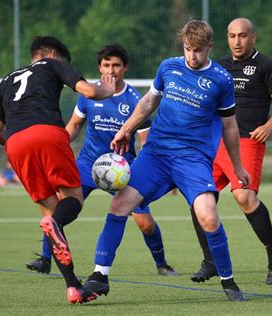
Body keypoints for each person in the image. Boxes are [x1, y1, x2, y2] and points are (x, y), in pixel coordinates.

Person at [82, 20, 251, 302]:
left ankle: (228, 280)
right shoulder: (168, 67)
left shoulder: (221, 80)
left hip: (193, 159)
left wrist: (237, 167)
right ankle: (100, 276)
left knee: (208, 217)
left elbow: (230, 126)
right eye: (187, 49)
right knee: (120, 204)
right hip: (156, 155)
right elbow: (149, 102)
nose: (192, 56)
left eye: (198, 51)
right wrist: (125, 129)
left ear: (209, 47)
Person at [26, 43, 179, 277]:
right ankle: (46, 259)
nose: (111, 70)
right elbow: (74, 126)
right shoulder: (90, 94)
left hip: (121, 170)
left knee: (145, 223)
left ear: (125, 67)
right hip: (87, 166)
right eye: (106, 65)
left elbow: (147, 142)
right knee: (58, 210)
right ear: (99, 68)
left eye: (116, 65)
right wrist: (55, 149)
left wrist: (154, 174)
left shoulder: (134, 100)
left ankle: (162, 264)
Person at [0, 36, 116, 304]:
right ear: (54, 54)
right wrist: (106, 88)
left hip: (16, 144)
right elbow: (90, 92)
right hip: (47, 133)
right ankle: (55, 224)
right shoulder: (52, 64)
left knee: (51, 215)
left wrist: (15, 140)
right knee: (72, 201)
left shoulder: (7, 79)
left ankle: (73, 288)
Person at [189, 18, 272, 285]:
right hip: (214, 142)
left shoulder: (268, 67)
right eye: (232, 35)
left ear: (253, 37)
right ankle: (210, 260)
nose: (237, 41)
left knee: (244, 196)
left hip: (247, 140)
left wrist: (269, 125)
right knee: (197, 195)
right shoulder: (218, 65)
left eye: (243, 36)